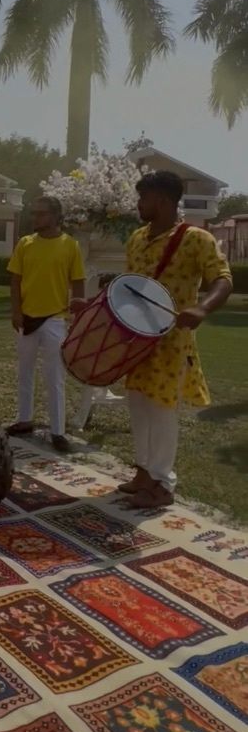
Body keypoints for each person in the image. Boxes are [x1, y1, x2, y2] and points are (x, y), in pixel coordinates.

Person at [109, 170, 231, 509]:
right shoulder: (136, 238)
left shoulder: (197, 238)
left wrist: (202, 309)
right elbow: (128, 284)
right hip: (136, 339)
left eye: (143, 199)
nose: (138, 205)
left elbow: (222, 279)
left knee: (162, 410)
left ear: (161, 200)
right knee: (138, 404)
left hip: (171, 342)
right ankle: (144, 473)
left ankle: (163, 484)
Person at [6, 195, 86, 454]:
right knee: (24, 372)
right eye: (34, 213)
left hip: (55, 319)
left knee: (55, 377)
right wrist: (16, 311)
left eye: (40, 213)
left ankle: (58, 431)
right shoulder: (25, 244)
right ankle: (24, 419)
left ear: (55, 216)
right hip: (27, 318)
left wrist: (76, 315)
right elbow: (15, 280)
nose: (35, 218)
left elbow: (78, 284)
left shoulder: (70, 245)